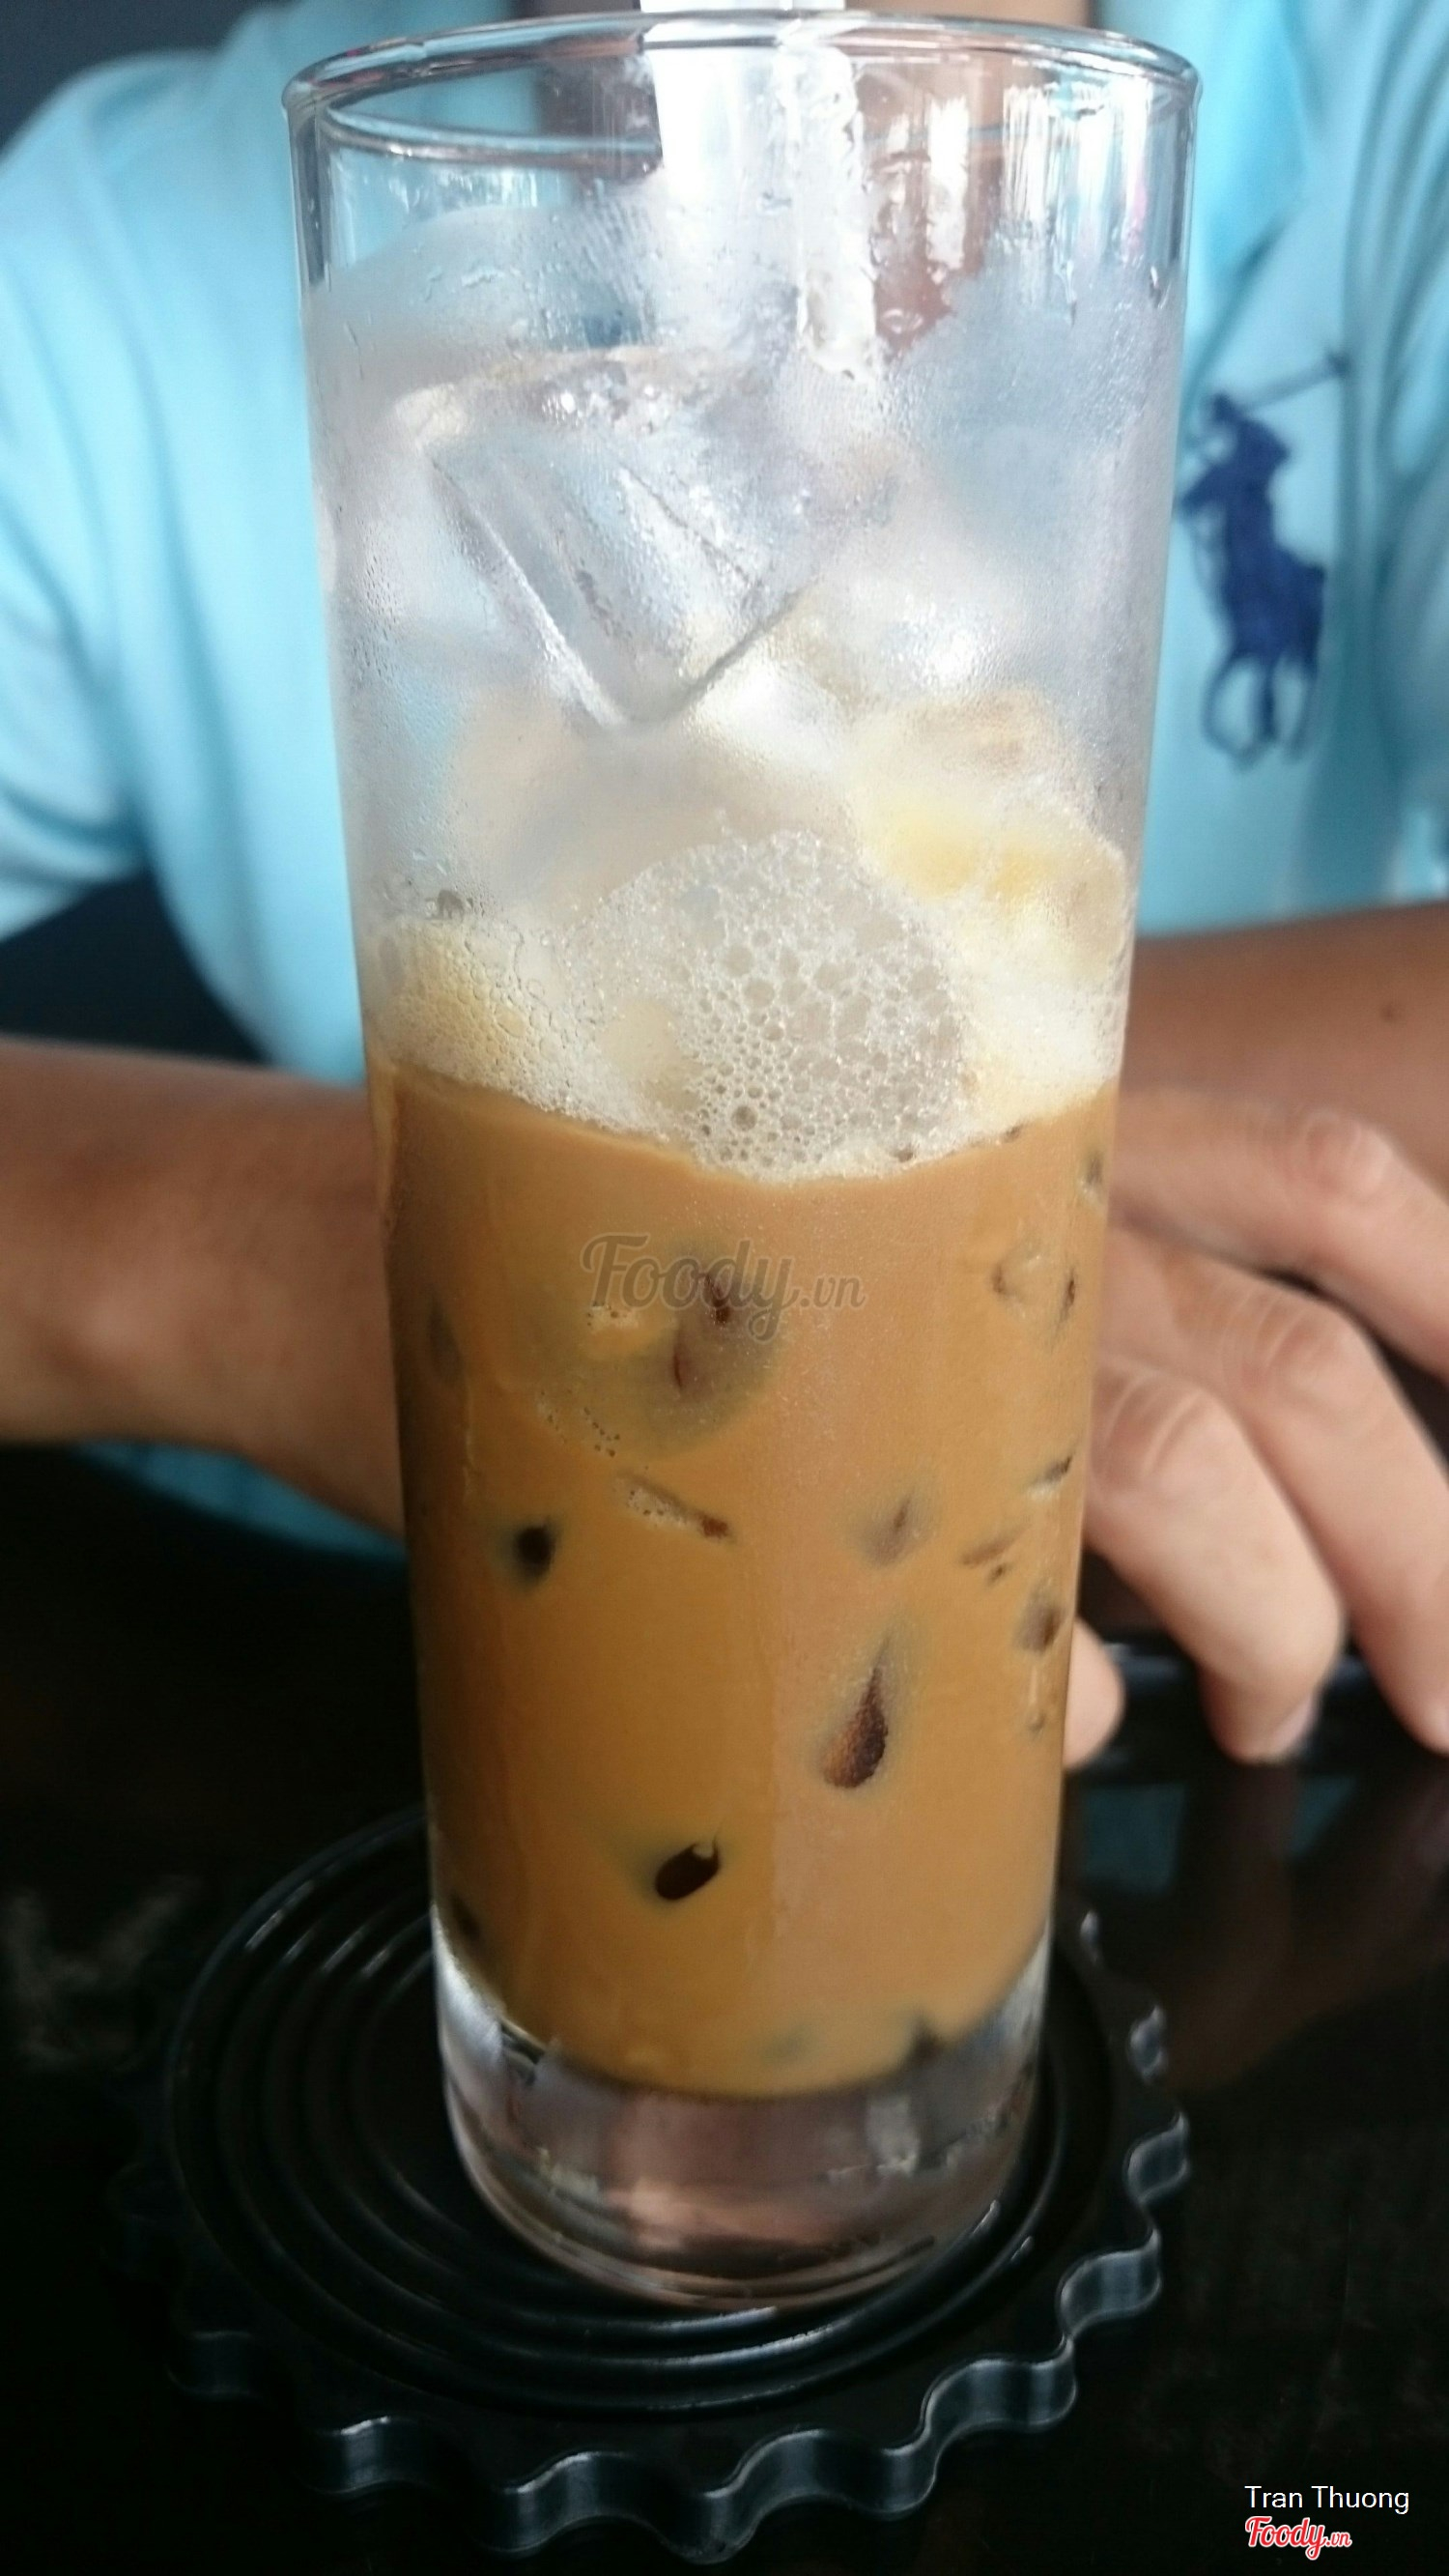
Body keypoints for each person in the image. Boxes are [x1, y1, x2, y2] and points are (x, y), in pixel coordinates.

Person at [1, 0, 1448, 1767]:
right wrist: (331, 1247)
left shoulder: (1396, 99)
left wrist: (915, 1130)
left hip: (1269, 1680)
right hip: (338, 1670)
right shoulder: (113, 276)